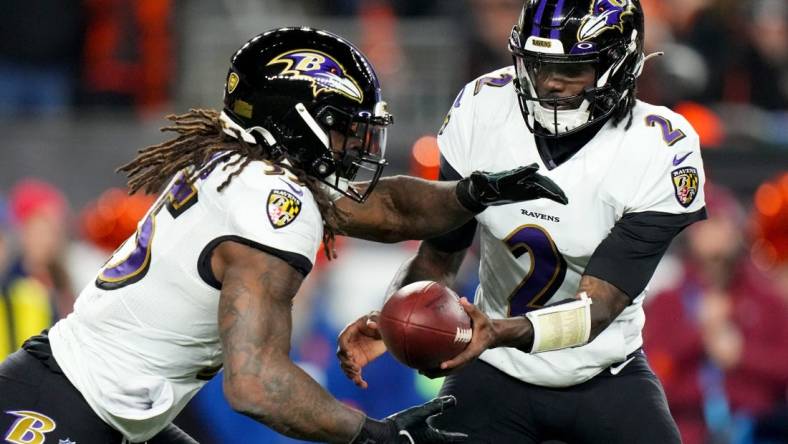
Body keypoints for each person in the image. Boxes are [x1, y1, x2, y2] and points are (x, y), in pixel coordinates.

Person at [0, 27, 566, 444]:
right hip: (60, 409)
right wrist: (374, 436)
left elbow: (387, 208)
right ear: (297, 119)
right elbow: (256, 383)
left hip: (99, 406)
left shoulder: (248, 170)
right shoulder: (271, 203)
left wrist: (471, 193)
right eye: (346, 128)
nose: (358, 147)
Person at [338, 1, 709, 442]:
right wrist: (396, 321)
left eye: (572, 70)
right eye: (537, 66)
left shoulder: (660, 146)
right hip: (494, 373)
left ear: (618, 65)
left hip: (605, 373)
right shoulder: (483, 106)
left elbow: (598, 309)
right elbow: (440, 253)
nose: (550, 82)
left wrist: (494, 331)